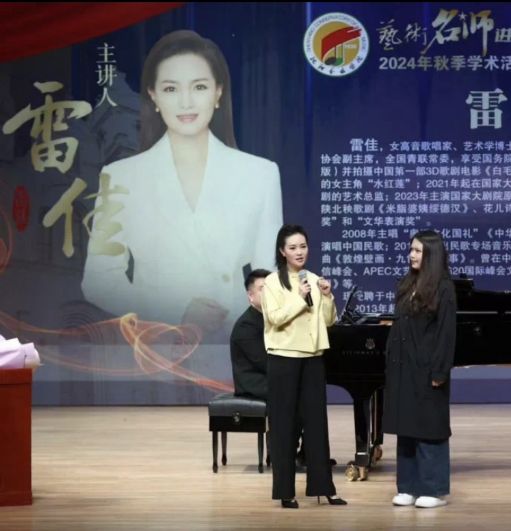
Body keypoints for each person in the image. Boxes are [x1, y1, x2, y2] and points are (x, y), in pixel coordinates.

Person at [81, 30, 283, 340]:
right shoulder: (120, 177)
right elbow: (98, 281)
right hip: (154, 346)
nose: (186, 102)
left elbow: (269, 275)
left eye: (199, 87)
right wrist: (177, 312)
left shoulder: (260, 174)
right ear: (153, 96)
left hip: (232, 341)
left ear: (218, 92)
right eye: (171, 88)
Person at [261, 224, 345, 509]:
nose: (299, 252)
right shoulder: (272, 282)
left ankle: (324, 487)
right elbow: (274, 318)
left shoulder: (314, 279)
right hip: (284, 357)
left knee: (317, 424)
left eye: (303, 246)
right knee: (284, 425)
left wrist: (328, 296)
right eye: (293, 247)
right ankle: (286, 491)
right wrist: (299, 297)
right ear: (282, 251)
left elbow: (329, 321)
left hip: (312, 357)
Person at [383, 229, 457, 509]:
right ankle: (407, 487)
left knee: (429, 427)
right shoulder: (407, 283)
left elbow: (446, 334)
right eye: (411, 250)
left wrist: (439, 371)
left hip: (427, 368)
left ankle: (432, 489)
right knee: (406, 426)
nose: (411, 255)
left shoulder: (444, 288)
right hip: (404, 367)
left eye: (417, 251)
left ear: (431, 255)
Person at [230, 268, 270, 402]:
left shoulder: (273, 318)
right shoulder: (246, 325)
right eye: (262, 289)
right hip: (256, 385)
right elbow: (264, 362)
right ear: (250, 295)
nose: (268, 293)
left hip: (270, 379)